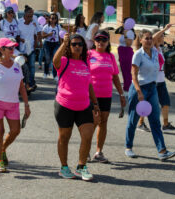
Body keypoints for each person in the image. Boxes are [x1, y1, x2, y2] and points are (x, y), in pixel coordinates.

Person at [53, 33, 100, 181]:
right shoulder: (64, 61)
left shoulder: (85, 63)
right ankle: (64, 167)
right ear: (69, 46)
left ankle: (81, 167)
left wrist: (95, 103)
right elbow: (55, 61)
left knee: (87, 135)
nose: (77, 46)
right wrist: (64, 43)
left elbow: (89, 84)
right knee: (64, 137)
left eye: (80, 44)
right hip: (64, 105)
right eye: (74, 44)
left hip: (84, 105)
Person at [125, 29, 175, 161]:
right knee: (133, 119)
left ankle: (162, 151)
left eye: (150, 38)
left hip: (152, 87)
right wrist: (139, 92)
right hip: (139, 89)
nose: (149, 40)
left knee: (154, 121)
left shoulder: (155, 52)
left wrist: (164, 29)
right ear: (141, 40)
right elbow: (133, 75)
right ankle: (128, 147)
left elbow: (156, 38)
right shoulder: (138, 54)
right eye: (146, 38)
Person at [0, 38, 30, 173]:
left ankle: (2, 148)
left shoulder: (16, 65)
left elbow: (22, 87)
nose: (12, 50)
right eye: (9, 48)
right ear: (1, 50)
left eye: (13, 47)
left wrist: (26, 105)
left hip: (13, 103)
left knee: (15, 130)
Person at [88, 30, 126, 163]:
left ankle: (98, 152)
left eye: (104, 40)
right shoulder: (88, 54)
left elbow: (115, 77)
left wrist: (121, 94)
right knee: (93, 122)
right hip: (91, 95)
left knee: (103, 123)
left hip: (106, 95)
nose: (100, 42)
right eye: (98, 40)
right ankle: (85, 149)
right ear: (94, 41)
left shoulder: (110, 56)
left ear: (108, 42)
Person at [138, 25, 175, 132]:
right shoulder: (152, 48)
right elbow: (154, 38)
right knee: (148, 104)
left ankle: (165, 124)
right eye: (162, 35)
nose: (164, 37)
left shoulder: (159, 49)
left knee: (165, 102)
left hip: (161, 81)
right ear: (158, 36)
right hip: (152, 81)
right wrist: (163, 29)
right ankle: (140, 123)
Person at [18, 5, 38, 92]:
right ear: (25, 15)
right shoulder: (19, 23)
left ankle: (30, 83)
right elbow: (17, 36)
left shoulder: (33, 24)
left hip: (31, 50)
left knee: (32, 67)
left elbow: (35, 35)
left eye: (32, 15)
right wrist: (21, 40)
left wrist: (35, 45)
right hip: (22, 50)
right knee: (23, 68)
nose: (31, 16)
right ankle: (23, 84)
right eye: (30, 14)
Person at [42, 13, 61, 80]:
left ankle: (55, 75)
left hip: (56, 43)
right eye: (52, 18)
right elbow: (42, 36)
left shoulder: (58, 27)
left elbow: (60, 36)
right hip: (47, 43)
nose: (54, 20)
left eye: (55, 18)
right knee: (47, 59)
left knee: (55, 59)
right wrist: (48, 34)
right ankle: (46, 72)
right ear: (49, 19)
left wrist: (61, 44)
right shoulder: (46, 27)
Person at [118, 30, 135, 96]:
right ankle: (125, 88)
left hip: (126, 51)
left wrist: (125, 35)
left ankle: (129, 89)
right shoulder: (124, 31)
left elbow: (129, 44)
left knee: (128, 71)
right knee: (123, 71)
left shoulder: (130, 32)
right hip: (121, 51)